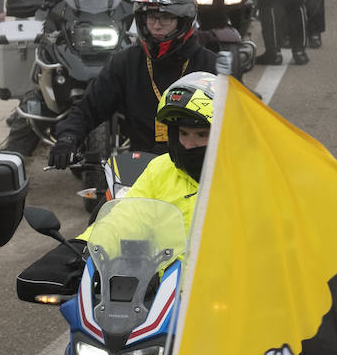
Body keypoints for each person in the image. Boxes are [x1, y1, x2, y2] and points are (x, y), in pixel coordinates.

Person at [19, 72, 218, 302]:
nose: (188, 144)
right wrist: (82, 251)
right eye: (183, 133)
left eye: (201, 135)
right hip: (163, 307)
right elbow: (125, 217)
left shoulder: (247, 176)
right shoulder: (162, 169)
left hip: (227, 310)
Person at [49, 0, 217, 164]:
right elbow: (89, 107)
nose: (156, 25)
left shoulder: (211, 66)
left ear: (184, 20)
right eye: (151, 17)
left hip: (199, 169)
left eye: (166, 17)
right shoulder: (126, 62)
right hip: (142, 169)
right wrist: (68, 138)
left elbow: (242, 116)